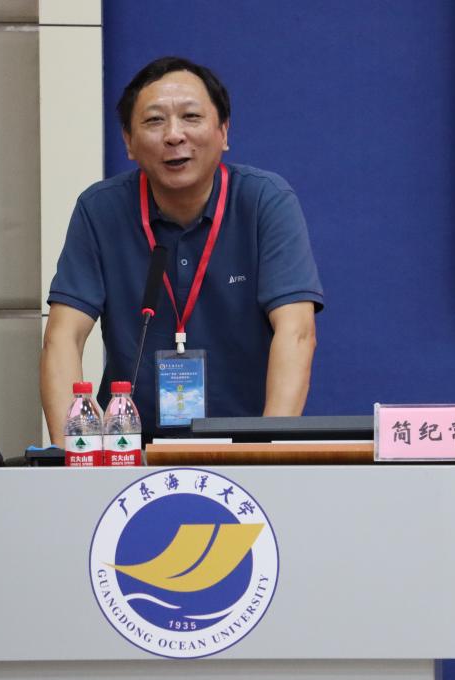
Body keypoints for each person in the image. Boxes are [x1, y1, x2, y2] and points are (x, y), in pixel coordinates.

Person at [41, 56, 323, 444]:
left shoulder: (265, 201)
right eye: (154, 120)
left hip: (245, 447)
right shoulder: (100, 210)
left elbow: (297, 332)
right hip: (130, 450)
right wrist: (72, 454)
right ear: (128, 141)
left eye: (191, 117)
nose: (174, 135)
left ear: (223, 131)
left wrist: (267, 452)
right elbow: (63, 337)